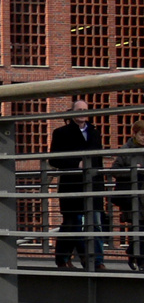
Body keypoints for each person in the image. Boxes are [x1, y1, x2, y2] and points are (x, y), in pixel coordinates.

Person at [49, 100, 106, 270]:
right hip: (72, 185)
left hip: (92, 185)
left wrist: (100, 182)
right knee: (71, 224)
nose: (83, 112)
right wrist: (76, 164)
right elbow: (54, 159)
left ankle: (96, 261)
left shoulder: (95, 132)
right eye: (79, 109)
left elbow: (99, 159)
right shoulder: (61, 133)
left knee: (95, 224)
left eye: (85, 110)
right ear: (72, 112)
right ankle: (63, 259)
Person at [113, 118, 144, 272]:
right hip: (133, 198)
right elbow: (115, 170)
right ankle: (139, 258)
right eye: (142, 135)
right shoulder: (127, 150)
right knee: (138, 228)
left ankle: (133, 253)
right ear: (135, 134)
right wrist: (133, 170)